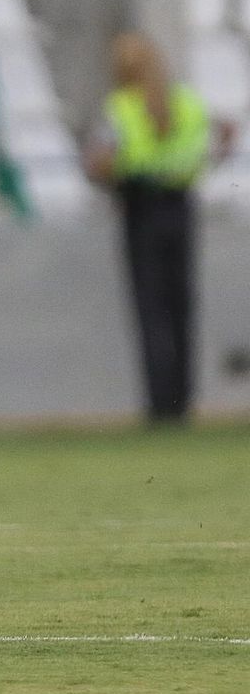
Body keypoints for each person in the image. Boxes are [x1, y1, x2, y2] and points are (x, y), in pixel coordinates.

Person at [84, 32, 223, 423]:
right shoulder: (188, 104)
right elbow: (208, 150)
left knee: (150, 309)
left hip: (142, 208)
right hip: (181, 206)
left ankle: (160, 405)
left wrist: (105, 168)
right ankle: (184, 400)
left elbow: (102, 162)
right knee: (181, 305)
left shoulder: (120, 108)